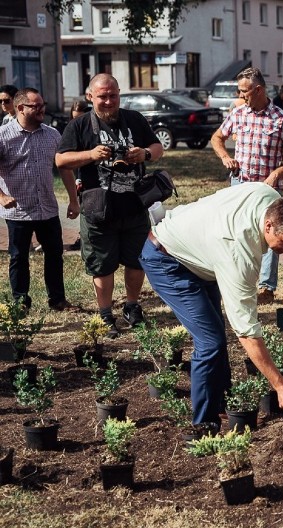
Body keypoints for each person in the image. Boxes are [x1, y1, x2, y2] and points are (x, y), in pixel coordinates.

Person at [140, 185, 283, 425]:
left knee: (215, 334)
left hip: (201, 254)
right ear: (268, 226)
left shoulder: (269, 198)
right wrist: (281, 386)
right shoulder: (240, 255)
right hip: (167, 260)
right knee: (210, 343)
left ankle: (222, 403)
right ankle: (203, 424)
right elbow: (246, 331)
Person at [56, 73, 164, 338]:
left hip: (134, 206)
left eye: (112, 95)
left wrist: (145, 154)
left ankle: (132, 306)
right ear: (90, 96)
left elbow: (157, 147)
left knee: (137, 261)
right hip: (98, 209)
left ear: (119, 95)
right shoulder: (80, 125)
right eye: (102, 96)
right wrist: (91, 155)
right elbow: (61, 160)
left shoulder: (134, 120)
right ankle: (106, 315)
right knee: (102, 265)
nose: (108, 101)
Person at [211, 67, 283, 305]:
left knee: (272, 235)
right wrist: (224, 157)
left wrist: (276, 174)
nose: (241, 97)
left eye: (244, 92)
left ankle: (266, 287)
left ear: (258, 89)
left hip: (268, 189)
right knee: (236, 233)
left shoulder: (281, 119)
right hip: (240, 183)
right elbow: (217, 137)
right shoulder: (238, 114)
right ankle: (238, 280)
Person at [0, 88, 79, 311]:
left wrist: (73, 201)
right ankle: (20, 302)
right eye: (36, 106)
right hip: (18, 210)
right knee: (19, 257)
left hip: (47, 208)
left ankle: (58, 300)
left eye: (42, 105)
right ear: (20, 108)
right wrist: (2, 196)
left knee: (54, 255)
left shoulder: (52, 134)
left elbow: (65, 169)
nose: (42, 109)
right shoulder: (3, 136)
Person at [67, 99, 91, 252]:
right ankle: (82, 235)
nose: (77, 121)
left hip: (91, 175)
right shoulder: (71, 131)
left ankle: (86, 236)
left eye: (80, 118)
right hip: (79, 173)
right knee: (82, 205)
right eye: (74, 118)